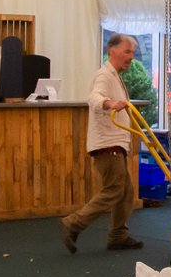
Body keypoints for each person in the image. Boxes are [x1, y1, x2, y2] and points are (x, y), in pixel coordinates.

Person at [59, 33, 143, 252]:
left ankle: (118, 235)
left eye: (132, 52)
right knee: (115, 189)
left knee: (125, 191)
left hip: (115, 144)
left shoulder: (114, 76)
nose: (131, 57)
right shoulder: (104, 76)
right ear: (112, 51)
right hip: (107, 145)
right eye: (127, 51)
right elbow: (94, 97)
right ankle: (73, 223)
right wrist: (109, 103)